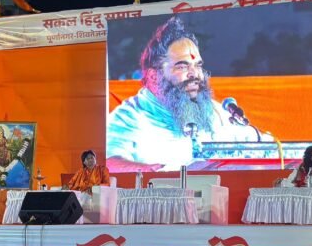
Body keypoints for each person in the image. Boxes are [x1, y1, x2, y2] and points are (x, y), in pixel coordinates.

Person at [106, 17, 270, 171]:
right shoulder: (128, 118)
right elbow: (109, 164)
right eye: (182, 66)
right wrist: (155, 174)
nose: (194, 74)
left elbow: (265, 149)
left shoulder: (216, 113)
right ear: (153, 76)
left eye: (197, 65)